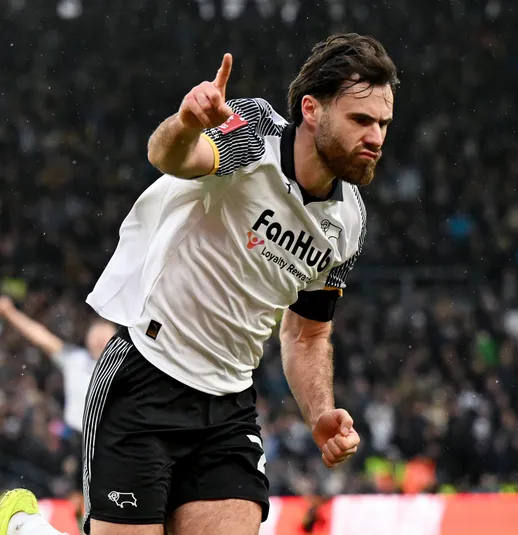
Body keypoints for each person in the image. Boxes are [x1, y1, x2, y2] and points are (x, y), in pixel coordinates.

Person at [1, 32, 397, 535]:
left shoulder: (349, 223)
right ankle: (24, 527)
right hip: (146, 380)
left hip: (229, 407)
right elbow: (171, 157)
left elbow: (306, 334)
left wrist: (320, 412)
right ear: (312, 110)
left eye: (383, 124)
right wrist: (187, 124)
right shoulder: (255, 136)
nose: (376, 137)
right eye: (361, 120)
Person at [0, 296, 116, 512]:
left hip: (107, 440)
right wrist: (10, 313)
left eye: (105, 335)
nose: (99, 339)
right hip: (75, 439)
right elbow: (41, 336)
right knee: (73, 495)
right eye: (95, 334)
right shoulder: (75, 359)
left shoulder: (122, 369)